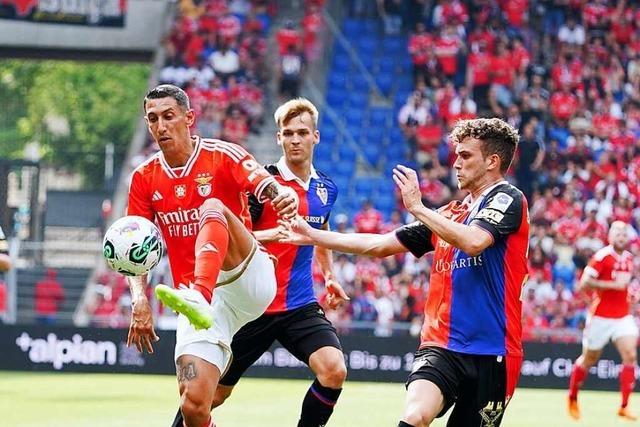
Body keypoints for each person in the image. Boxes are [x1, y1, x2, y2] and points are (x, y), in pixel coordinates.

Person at [282, 118, 529, 427]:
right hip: (442, 344)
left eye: (465, 156)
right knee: (415, 416)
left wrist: (418, 208)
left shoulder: (508, 199)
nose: (456, 164)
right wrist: (314, 235)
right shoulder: (450, 214)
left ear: (492, 161)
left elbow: (475, 242)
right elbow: (380, 244)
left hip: (495, 351)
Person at [126, 84, 298, 427]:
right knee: (193, 405)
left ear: (189, 118)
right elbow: (136, 248)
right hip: (205, 311)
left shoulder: (222, 155)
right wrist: (138, 300)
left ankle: (199, 296)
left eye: (168, 116)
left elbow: (263, 183)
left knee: (213, 206)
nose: (160, 126)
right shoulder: (144, 179)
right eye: (152, 119)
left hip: (246, 278)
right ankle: (199, 300)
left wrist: (280, 195)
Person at [171, 98, 349, 427]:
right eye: (288, 133)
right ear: (278, 138)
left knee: (334, 369)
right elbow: (233, 239)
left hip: (298, 305)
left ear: (316, 137)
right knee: (210, 396)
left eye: (302, 132)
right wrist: (272, 235)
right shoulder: (260, 186)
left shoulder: (327, 189)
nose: (296, 139)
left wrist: (329, 275)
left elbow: (319, 231)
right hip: (251, 306)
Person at [567, 220, 638, 421]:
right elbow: (584, 283)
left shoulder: (629, 258)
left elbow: (624, 287)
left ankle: (624, 406)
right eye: (618, 233)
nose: (621, 237)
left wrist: (630, 294)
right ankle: (572, 396)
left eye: (624, 234)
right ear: (610, 236)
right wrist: (612, 285)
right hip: (600, 317)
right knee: (589, 359)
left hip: (622, 316)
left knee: (630, 355)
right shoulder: (602, 257)